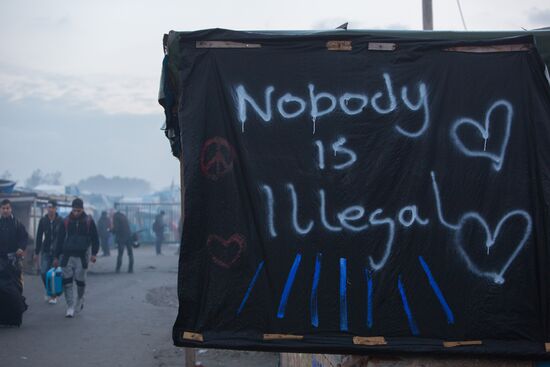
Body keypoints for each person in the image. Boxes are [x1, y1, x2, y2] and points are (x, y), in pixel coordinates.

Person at [54, 198, 99, 318]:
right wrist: (56, 256)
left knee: (80, 282)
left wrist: (94, 253)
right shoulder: (66, 221)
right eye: (74, 210)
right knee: (67, 281)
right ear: (71, 209)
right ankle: (70, 306)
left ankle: (80, 298)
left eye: (78, 210)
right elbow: (59, 240)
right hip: (67, 255)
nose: (76, 213)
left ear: (82, 209)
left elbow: (95, 238)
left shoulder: (89, 221)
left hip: (82, 256)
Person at [0, 199, 29, 326]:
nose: (5, 210)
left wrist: (20, 248)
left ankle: (16, 318)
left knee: (15, 290)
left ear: (11, 209)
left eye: (7, 208)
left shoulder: (17, 224)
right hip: (0, 262)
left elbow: (24, 238)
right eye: (3, 208)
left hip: (13, 263)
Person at [35, 199, 63, 304]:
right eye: (49, 207)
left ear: (56, 209)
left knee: (54, 274)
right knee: (43, 272)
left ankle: (53, 296)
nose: (50, 210)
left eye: (52, 208)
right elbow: (38, 236)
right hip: (46, 250)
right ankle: (49, 290)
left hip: (57, 251)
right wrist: (36, 252)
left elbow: (63, 237)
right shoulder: (43, 220)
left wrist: (61, 252)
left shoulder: (61, 220)